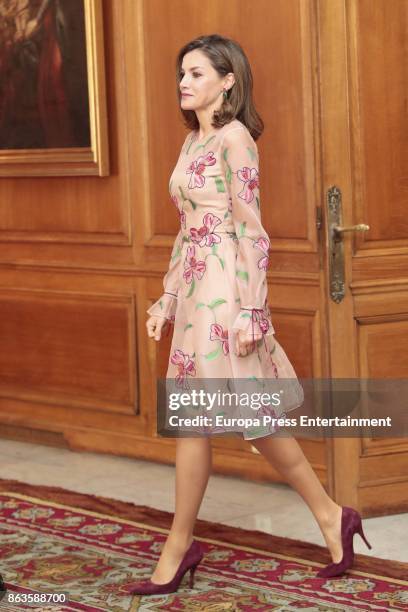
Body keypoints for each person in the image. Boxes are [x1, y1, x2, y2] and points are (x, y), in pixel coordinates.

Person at [128, 34, 372, 596]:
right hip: (194, 292)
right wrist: (167, 297)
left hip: (227, 295)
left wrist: (253, 309)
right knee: (222, 420)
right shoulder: (195, 141)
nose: (183, 82)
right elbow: (189, 227)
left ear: (228, 79)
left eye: (195, 72)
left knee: (246, 421)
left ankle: (186, 543)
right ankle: (328, 517)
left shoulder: (235, 139)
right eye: (180, 74)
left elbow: (251, 232)